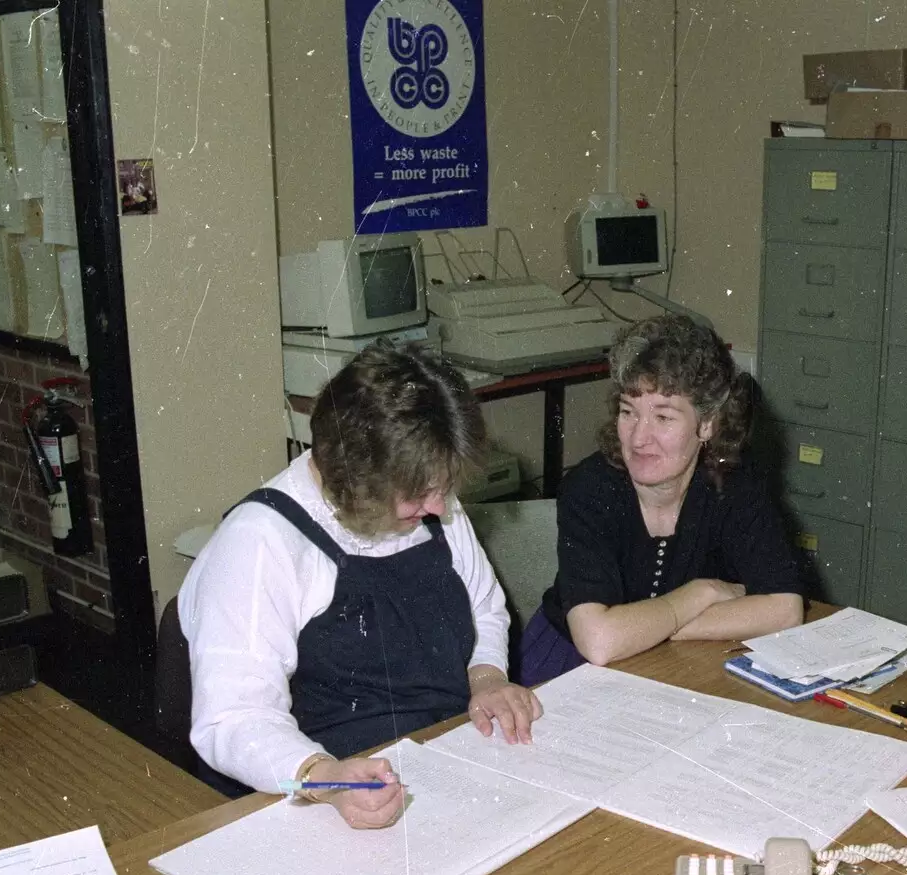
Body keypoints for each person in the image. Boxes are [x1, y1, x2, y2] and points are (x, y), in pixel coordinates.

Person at [179, 345, 542, 828]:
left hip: (442, 756)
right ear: (356, 480)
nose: (439, 508)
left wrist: (488, 678)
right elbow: (230, 719)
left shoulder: (428, 501)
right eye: (419, 494)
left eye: (443, 487)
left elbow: (485, 607)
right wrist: (325, 779)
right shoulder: (260, 542)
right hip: (318, 791)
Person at [520, 315, 805, 684]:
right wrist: (700, 593)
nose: (639, 438)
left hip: (675, 658)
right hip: (566, 665)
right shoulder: (590, 487)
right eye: (628, 412)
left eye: (663, 417)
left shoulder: (734, 484)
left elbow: (785, 609)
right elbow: (599, 642)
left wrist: (644, 627)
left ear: (707, 424)